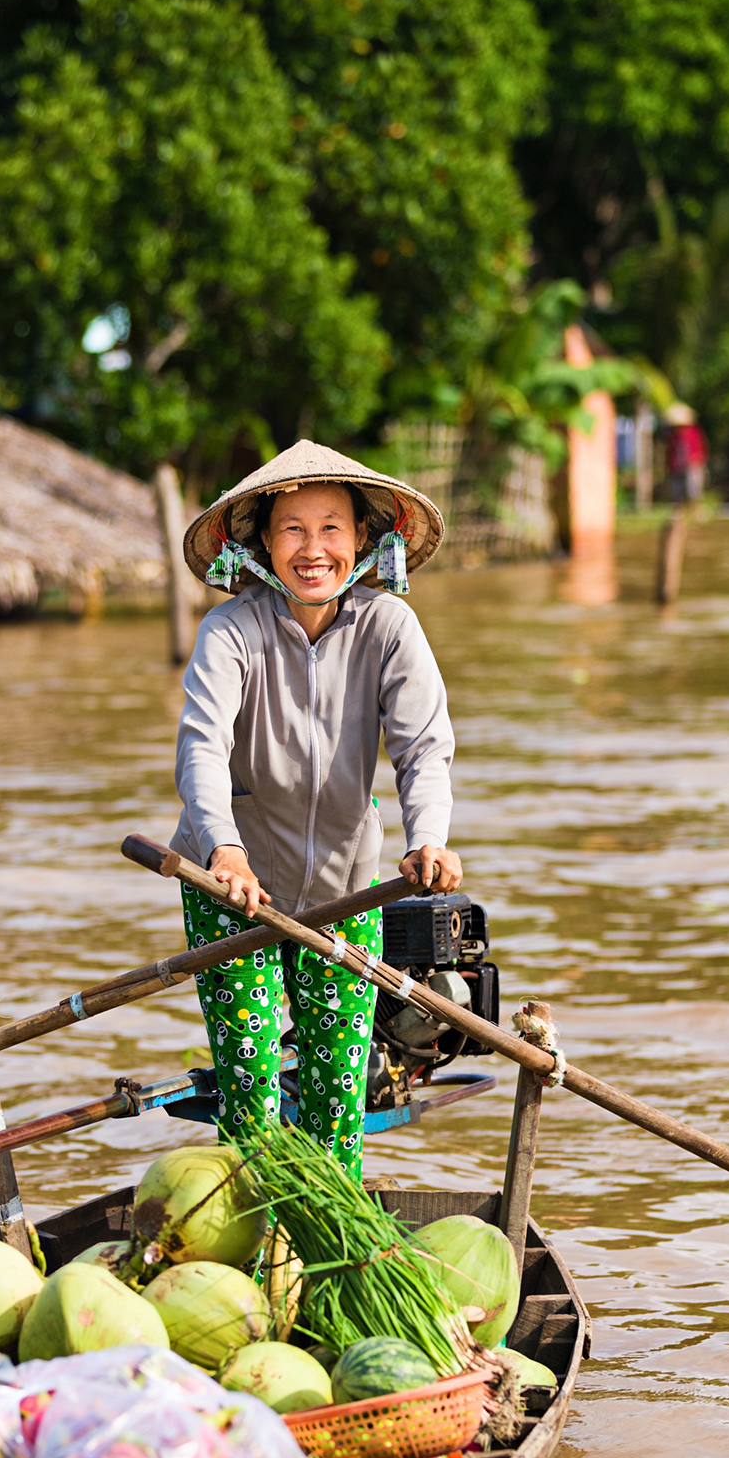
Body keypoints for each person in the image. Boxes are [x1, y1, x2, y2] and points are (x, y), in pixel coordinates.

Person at [170, 439, 460, 1180]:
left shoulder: (389, 628)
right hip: (234, 890)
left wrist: (428, 839)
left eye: (331, 527)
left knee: (339, 1097)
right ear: (264, 542)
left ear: (362, 539)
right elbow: (201, 747)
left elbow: (423, 746)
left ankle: (334, 1236)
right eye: (293, 529)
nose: (313, 549)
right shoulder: (230, 633)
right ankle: (259, 1235)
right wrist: (223, 851)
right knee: (254, 1093)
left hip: (348, 889)